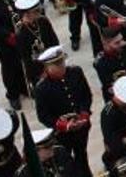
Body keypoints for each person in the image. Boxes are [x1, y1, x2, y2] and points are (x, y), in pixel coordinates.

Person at [34, 46, 93, 177]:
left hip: (81, 127)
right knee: (66, 162)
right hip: (62, 134)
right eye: (57, 64)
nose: (62, 66)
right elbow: (43, 116)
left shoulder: (76, 72)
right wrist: (63, 125)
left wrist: (84, 113)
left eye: (62, 62)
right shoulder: (42, 88)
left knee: (82, 156)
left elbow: (86, 95)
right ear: (47, 67)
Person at [14, 0, 60, 88]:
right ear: (26, 14)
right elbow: (27, 59)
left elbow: (54, 41)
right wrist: (42, 72)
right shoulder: (21, 34)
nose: (39, 13)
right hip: (38, 71)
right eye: (36, 11)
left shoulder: (43, 21)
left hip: (53, 62)